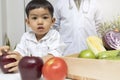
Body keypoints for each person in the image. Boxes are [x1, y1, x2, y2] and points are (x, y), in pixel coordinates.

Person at [0, 0, 66, 72]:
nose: (40, 22)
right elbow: (19, 53)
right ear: (28, 22)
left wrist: (25, 62)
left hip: (49, 73)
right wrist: (8, 55)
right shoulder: (26, 37)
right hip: (30, 73)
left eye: (45, 17)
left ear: (52, 21)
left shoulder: (54, 36)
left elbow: (52, 57)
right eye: (34, 18)